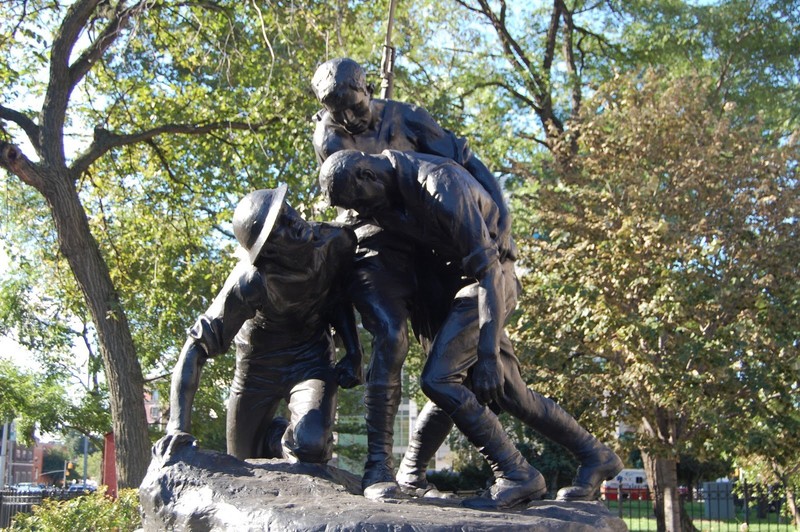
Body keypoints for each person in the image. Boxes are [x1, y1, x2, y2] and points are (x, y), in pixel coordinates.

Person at [319, 149, 623, 509]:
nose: (363, 214)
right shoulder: (385, 193)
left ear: (367, 176)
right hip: (459, 288)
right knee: (513, 395)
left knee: (440, 379)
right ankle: (595, 455)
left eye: (359, 203)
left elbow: (490, 272)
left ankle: (516, 474)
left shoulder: (440, 186)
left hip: (487, 286)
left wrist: (488, 352)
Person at [311, 57, 511, 498]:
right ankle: (377, 467)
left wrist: (502, 228)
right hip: (377, 240)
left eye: (353, 104)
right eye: (334, 109)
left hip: (432, 241)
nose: (346, 118)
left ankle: (417, 470)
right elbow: (364, 202)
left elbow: (469, 165)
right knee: (391, 335)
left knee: (454, 362)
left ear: (367, 87)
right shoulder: (329, 137)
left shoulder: (409, 117)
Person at [155, 185, 363, 465]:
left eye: (286, 212)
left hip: (311, 360)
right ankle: (275, 436)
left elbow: (337, 298)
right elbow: (195, 346)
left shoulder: (336, 240)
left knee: (310, 446)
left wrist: (354, 351)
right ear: (268, 252)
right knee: (241, 461)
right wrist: (177, 427)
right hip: (258, 370)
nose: (293, 222)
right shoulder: (250, 282)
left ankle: (291, 439)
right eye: (279, 227)